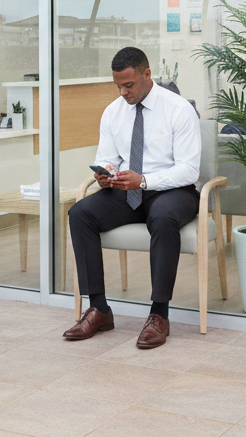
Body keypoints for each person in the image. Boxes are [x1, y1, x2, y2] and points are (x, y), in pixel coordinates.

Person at [63, 46, 201, 349]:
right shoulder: (113, 112)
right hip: (127, 190)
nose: (124, 92)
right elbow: (107, 158)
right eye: (118, 86)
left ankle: (159, 314)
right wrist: (106, 174)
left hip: (173, 190)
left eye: (129, 85)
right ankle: (99, 309)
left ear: (147, 74)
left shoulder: (178, 109)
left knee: (163, 218)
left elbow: (189, 170)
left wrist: (146, 180)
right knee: (80, 213)